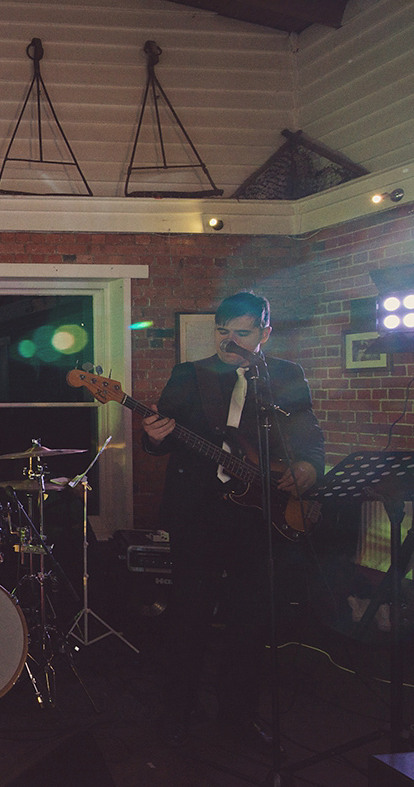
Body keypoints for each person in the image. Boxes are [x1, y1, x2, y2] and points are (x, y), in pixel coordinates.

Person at [142, 291, 323, 751]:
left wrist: (307, 467)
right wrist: (155, 436)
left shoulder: (285, 375)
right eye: (222, 331)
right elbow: (162, 439)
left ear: (265, 332)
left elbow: (308, 434)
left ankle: (239, 716)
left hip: (260, 517)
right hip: (198, 515)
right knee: (189, 618)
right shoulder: (190, 374)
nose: (229, 340)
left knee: (250, 623)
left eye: (241, 332)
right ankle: (176, 714)